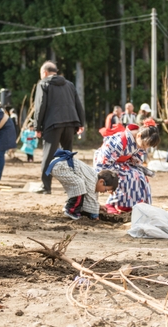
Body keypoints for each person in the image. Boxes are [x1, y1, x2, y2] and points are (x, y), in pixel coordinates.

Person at [33, 61, 85, 194]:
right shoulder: (69, 84)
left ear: (44, 73)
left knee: (48, 155)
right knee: (68, 155)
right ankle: (71, 187)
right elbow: (78, 104)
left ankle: (46, 187)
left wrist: (37, 127)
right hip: (70, 122)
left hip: (53, 123)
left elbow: (40, 106)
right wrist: (81, 123)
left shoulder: (43, 84)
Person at [94, 125, 160, 213]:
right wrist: (108, 179)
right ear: (139, 135)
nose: (144, 148)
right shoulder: (119, 141)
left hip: (123, 163)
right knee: (129, 176)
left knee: (141, 176)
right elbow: (103, 162)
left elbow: (136, 160)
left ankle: (135, 204)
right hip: (107, 164)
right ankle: (114, 203)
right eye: (144, 145)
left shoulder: (138, 141)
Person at [45, 149, 119, 220]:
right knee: (79, 185)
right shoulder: (92, 181)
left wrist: (98, 206)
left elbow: (91, 198)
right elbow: (91, 199)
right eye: (106, 190)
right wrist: (95, 216)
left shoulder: (94, 179)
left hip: (63, 165)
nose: (104, 192)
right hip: (60, 166)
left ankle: (70, 206)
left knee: (79, 187)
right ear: (101, 181)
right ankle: (71, 210)